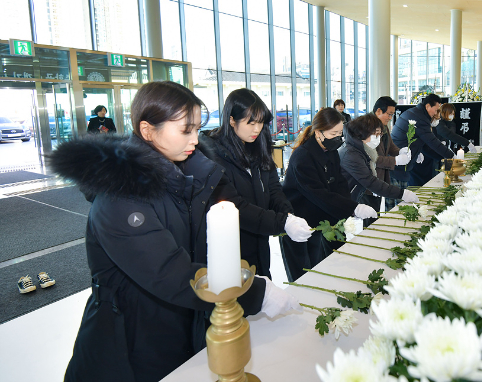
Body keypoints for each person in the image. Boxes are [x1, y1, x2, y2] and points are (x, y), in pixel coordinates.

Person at [48, 81, 299, 382]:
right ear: (148, 130)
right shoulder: (120, 199)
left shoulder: (185, 178)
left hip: (179, 325)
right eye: (185, 130)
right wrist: (253, 291)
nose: (195, 138)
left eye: (196, 129)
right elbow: (168, 272)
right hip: (128, 340)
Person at [200, 89, 313, 280]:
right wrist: (282, 222)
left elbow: (274, 189)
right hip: (230, 250)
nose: (256, 129)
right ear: (231, 120)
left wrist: (288, 215)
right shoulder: (212, 155)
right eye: (250, 123)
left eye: (260, 122)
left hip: (260, 241)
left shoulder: (257, 147)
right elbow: (235, 206)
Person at [280, 107, 377, 281]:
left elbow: (340, 183)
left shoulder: (331, 151)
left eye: (340, 134)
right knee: (306, 276)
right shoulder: (303, 157)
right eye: (333, 134)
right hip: (301, 221)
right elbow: (319, 194)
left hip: (323, 217)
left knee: (328, 268)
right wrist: (353, 207)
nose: (338, 139)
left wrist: (349, 210)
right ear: (318, 132)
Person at [339, 114, 418, 224]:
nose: (378, 139)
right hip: (344, 199)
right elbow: (370, 181)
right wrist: (402, 194)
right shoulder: (351, 154)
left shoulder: (363, 149)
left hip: (352, 195)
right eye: (376, 134)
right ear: (363, 132)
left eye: (380, 135)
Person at [391, 93, 454, 187]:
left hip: (402, 162)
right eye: (436, 110)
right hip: (398, 162)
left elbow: (426, 145)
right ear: (428, 106)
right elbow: (433, 142)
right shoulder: (420, 118)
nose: (437, 114)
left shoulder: (416, 113)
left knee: (402, 194)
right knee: (399, 197)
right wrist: (451, 156)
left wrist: (443, 159)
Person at [371, 96, 412, 210]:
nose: (390, 117)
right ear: (378, 111)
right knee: (369, 217)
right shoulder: (366, 127)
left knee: (376, 212)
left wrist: (400, 151)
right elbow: (373, 158)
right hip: (368, 178)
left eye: (392, 115)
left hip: (379, 177)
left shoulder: (383, 126)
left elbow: (390, 146)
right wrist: (395, 160)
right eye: (389, 114)